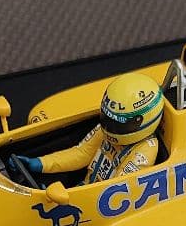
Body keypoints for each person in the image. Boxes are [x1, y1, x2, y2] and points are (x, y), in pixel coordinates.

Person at [13, 73, 163, 184]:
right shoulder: (108, 129)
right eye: (108, 117)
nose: (110, 126)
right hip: (85, 188)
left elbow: (116, 188)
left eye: (120, 122)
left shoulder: (145, 151)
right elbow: (82, 153)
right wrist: (40, 163)